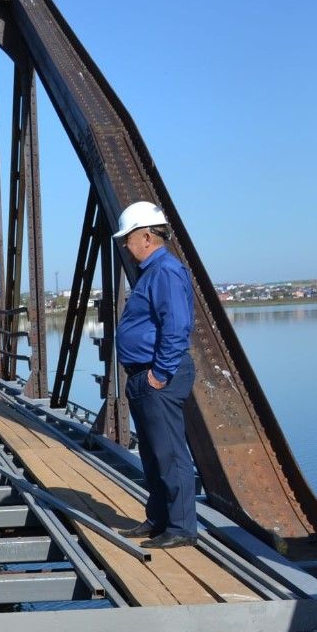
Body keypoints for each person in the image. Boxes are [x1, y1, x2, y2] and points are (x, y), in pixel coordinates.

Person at [111, 201, 198, 550]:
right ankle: (159, 518)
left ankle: (181, 528)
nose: (124, 245)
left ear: (146, 236)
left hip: (157, 375)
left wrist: (159, 374)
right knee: (152, 452)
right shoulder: (153, 271)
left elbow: (176, 327)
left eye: (128, 238)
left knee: (170, 453)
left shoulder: (165, 271)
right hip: (143, 375)